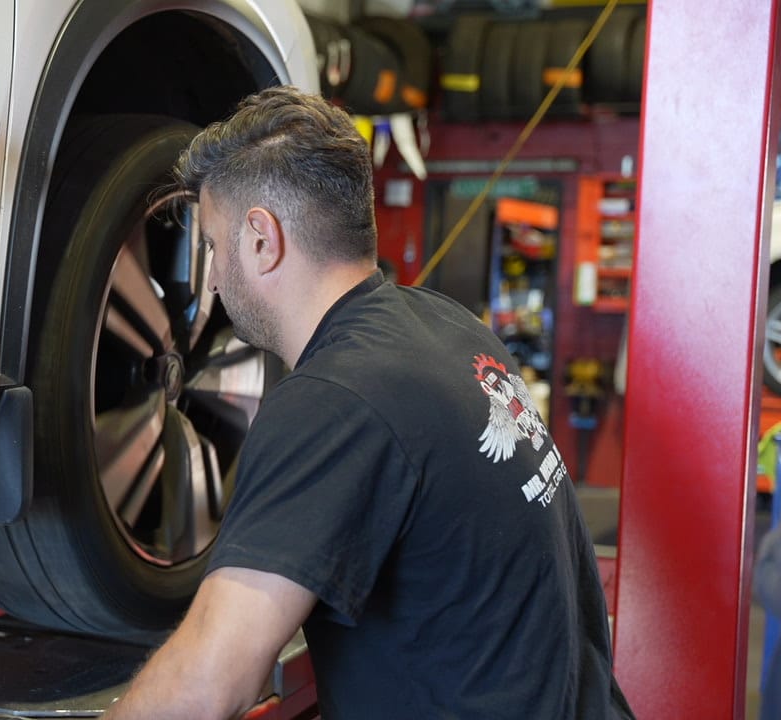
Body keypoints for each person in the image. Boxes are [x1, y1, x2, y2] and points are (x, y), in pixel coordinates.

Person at [101, 86, 634, 719]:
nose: (211, 278)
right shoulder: (452, 328)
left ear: (262, 238)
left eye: (214, 246)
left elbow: (209, 687)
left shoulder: (334, 399)